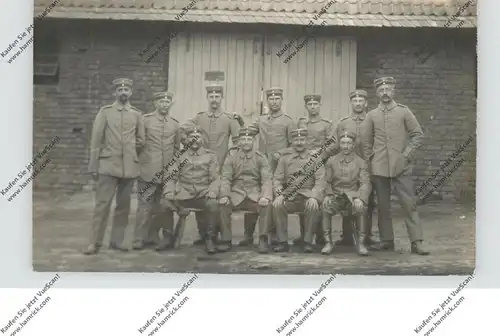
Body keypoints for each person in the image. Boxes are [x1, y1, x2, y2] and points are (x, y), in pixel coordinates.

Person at [363, 76, 429, 255]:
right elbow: (367, 143)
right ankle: (386, 240)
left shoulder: (404, 112)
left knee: (409, 204)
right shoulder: (371, 115)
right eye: (381, 90)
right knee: (383, 206)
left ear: (393, 91)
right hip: (379, 168)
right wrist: (371, 161)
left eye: (388, 90)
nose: (385, 93)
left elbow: (417, 135)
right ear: (377, 93)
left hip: (401, 168)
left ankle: (416, 242)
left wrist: (406, 156)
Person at [84, 78, 145, 255]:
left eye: (126, 89)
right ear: (115, 93)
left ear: (131, 93)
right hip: (108, 166)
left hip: (129, 168)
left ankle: (117, 241)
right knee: (102, 205)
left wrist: (132, 154)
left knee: (124, 206)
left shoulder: (137, 114)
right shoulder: (105, 112)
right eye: (120, 89)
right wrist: (93, 165)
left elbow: (141, 140)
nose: (123, 92)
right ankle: (94, 242)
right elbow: (96, 139)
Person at [240, 87, 295, 246]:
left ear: (281, 100)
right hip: (261, 168)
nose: (274, 102)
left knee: (275, 203)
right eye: (271, 99)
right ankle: (248, 235)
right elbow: (248, 133)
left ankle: (274, 236)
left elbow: (294, 145)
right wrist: (238, 121)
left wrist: (282, 153)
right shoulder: (261, 120)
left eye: (277, 99)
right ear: (268, 101)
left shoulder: (288, 121)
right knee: (253, 196)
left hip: (279, 169)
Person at [189, 84, 242, 246]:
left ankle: (217, 235)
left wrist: (230, 158)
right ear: (207, 98)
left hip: (221, 164)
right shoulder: (199, 118)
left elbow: (239, 140)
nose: (214, 100)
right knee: (202, 195)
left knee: (219, 200)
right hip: (202, 164)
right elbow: (184, 129)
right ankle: (203, 234)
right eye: (211, 97)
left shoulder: (228, 119)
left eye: (217, 97)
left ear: (221, 98)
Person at [330, 89, 379, 247]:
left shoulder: (372, 120)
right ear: (351, 103)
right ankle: (347, 236)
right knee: (346, 196)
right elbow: (334, 143)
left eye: (360, 101)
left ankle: (366, 236)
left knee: (367, 201)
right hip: (348, 165)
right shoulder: (343, 122)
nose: (358, 104)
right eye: (355, 101)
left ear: (365, 103)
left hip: (369, 165)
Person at [133, 91, 181, 251]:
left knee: (165, 206)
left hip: (167, 173)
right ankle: (139, 239)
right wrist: (140, 164)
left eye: (167, 102)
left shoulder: (174, 124)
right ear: (155, 103)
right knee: (145, 206)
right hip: (148, 171)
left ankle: (161, 237)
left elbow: (176, 149)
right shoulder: (145, 121)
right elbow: (138, 144)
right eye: (161, 101)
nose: (164, 104)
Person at [162, 124, 220, 254]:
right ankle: (167, 237)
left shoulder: (210, 156)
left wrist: (213, 191)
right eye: (191, 137)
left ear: (202, 139)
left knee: (213, 204)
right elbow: (170, 177)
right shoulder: (178, 156)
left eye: (198, 137)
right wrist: (169, 191)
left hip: (202, 195)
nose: (195, 140)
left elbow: (215, 178)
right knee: (164, 203)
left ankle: (209, 238)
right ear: (187, 139)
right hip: (184, 195)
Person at [219, 127, 273, 253]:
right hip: (236, 194)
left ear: (253, 141)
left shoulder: (260, 157)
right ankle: (226, 240)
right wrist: (225, 195)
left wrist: (265, 196)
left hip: (254, 194)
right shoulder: (232, 156)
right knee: (222, 205)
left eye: (249, 139)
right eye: (243, 139)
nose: (246, 142)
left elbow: (266, 179)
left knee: (267, 206)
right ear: (239, 141)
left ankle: (262, 239)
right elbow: (226, 177)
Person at [272, 128, 324, 253]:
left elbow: (320, 180)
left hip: (307, 195)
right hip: (289, 196)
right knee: (277, 206)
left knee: (313, 206)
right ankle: (282, 242)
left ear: (306, 141)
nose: (299, 142)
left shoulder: (315, 158)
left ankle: (307, 242)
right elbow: (277, 179)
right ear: (291, 141)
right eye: (296, 140)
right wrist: (279, 195)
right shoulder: (284, 159)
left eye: (302, 139)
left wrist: (314, 196)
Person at [321, 131, 371, 256]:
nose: (346, 146)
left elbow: (365, 183)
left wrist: (360, 198)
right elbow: (326, 181)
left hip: (352, 197)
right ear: (339, 144)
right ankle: (328, 242)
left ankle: (361, 243)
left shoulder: (361, 162)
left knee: (361, 209)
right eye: (343, 143)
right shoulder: (331, 161)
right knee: (325, 208)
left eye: (349, 143)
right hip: (336, 196)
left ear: (353, 145)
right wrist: (328, 194)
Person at [295, 93, 334, 247]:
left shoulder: (326, 124)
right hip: (303, 165)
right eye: (310, 105)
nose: (313, 107)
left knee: (317, 198)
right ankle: (305, 235)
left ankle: (320, 236)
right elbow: (297, 140)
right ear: (306, 106)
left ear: (319, 106)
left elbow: (332, 144)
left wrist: (319, 152)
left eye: (315, 104)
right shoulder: (301, 123)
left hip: (320, 165)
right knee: (303, 196)